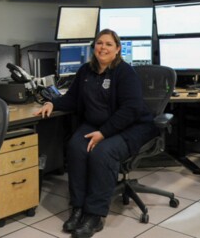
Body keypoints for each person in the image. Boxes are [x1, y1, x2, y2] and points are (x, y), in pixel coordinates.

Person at [35, 29, 158, 238]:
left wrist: (103, 133)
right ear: (94, 47)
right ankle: (78, 208)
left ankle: (94, 215)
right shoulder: (86, 71)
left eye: (109, 44)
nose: (103, 47)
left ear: (117, 49)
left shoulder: (125, 72)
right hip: (95, 124)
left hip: (129, 126)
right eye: (100, 43)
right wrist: (51, 103)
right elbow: (72, 98)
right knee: (75, 147)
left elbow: (131, 109)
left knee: (102, 153)